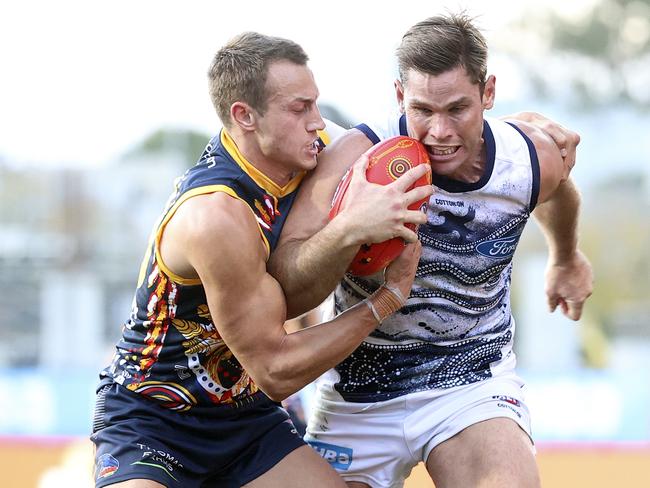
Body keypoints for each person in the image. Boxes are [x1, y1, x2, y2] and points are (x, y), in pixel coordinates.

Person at [90, 31, 433, 488]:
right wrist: (386, 297)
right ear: (244, 116)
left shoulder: (305, 148)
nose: (317, 122)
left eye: (315, 103)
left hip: (242, 419)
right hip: (155, 418)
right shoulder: (216, 216)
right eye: (299, 109)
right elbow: (275, 371)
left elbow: (416, 133)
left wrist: (520, 132)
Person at [268, 13, 593, 488]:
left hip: (472, 383)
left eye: (457, 109)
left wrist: (565, 257)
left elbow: (558, 191)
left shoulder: (530, 157)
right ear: (400, 95)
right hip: (358, 395)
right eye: (423, 110)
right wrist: (349, 230)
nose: (439, 131)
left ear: (489, 93)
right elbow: (287, 276)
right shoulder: (355, 158)